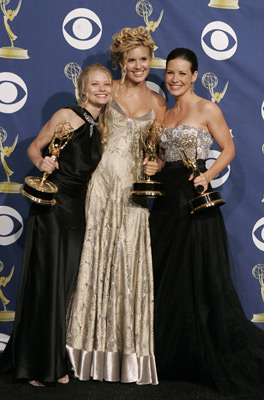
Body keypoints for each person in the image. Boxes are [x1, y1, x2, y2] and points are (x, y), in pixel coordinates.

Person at [149, 47, 264, 397]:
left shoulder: (207, 108)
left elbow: (228, 148)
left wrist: (208, 175)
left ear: (195, 76)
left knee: (195, 276)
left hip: (195, 199)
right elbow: (158, 157)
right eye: (170, 73)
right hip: (166, 202)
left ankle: (199, 353)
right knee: (165, 275)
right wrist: (151, 166)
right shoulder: (164, 114)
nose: (175, 79)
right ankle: (167, 353)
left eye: (183, 73)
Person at [0, 63, 112, 386]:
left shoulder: (99, 126)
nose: (102, 89)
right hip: (52, 205)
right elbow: (35, 148)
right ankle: (37, 366)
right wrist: (42, 161)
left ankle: (52, 360)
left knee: (61, 285)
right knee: (46, 283)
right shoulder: (66, 116)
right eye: (95, 84)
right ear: (83, 87)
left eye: (106, 83)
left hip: (76, 211)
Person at [66, 26, 166, 385]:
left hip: (134, 193)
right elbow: (81, 128)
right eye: (131, 60)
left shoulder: (158, 103)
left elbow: (158, 153)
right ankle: (82, 353)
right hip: (102, 184)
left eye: (144, 59)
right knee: (95, 259)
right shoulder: (109, 91)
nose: (139, 66)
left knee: (128, 263)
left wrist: (157, 165)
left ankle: (125, 359)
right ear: (120, 62)